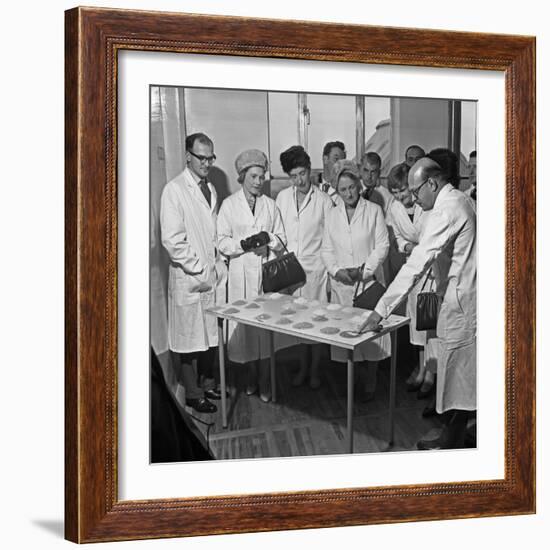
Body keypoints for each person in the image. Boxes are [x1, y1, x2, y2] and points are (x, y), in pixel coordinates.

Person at [359, 154, 476, 449]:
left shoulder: (446, 210)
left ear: (432, 184)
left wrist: (379, 311)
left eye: (415, 191)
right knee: (457, 374)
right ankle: (453, 434)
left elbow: (416, 264)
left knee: (457, 376)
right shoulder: (459, 200)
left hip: (461, 303)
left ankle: (451, 443)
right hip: (460, 298)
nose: (412, 198)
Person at [160, 132, 227, 414]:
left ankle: (208, 383)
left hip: (210, 274)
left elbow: (213, 233)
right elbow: (173, 241)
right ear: (188, 155)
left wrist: (218, 263)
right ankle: (193, 393)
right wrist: (199, 268)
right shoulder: (173, 190)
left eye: (210, 157)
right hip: (190, 276)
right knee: (189, 340)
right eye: (202, 157)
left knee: (210, 335)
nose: (207, 163)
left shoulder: (210, 189)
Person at [217, 149, 286, 402]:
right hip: (240, 276)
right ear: (243, 176)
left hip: (264, 276)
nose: (258, 181)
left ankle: (266, 381)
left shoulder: (270, 205)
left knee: (265, 331)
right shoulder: (229, 205)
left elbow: (282, 238)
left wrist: (268, 241)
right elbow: (222, 241)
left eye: (261, 176)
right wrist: (243, 245)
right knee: (244, 333)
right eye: (254, 176)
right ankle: (251, 378)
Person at [321, 160, 391, 401]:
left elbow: (383, 245)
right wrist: (336, 271)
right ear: (337, 191)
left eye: (351, 187)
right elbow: (326, 249)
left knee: (370, 333)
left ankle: (370, 378)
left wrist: (365, 270)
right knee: (346, 335)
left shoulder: (373, 211)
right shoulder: (331, 214)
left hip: (368, 282)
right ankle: (352, 378)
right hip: (343, 284)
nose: (348, 193)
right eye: (343, 190)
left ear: (358, 185)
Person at [276, 145, 334, 388]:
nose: (299, 180)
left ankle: (314, 371)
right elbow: (278, 233)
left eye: (302, 173)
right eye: (293, 176)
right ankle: (302, 367)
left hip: (315, 272)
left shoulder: (323, 200)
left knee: (316, 323)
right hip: (291, 271)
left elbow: (331, 239)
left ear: (310, 171)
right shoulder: (281, 198)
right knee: (298, 323)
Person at [386, 163, 439, 399]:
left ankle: (431, 374)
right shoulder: (394, 208)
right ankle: (421, 371)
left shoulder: (428, 206)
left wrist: (421, 249)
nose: (401, 197)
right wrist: (409, 246)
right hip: (413, 269)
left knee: (432, 326)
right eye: (395, 193)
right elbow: (398, 239)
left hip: (433, 271)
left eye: (404, 192)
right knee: (417, 325)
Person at [359, 151, 393, 216]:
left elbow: (389, 222)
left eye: (373, 172)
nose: (369, 176)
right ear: (360, 170)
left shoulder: (387, 196)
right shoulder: (351, 189)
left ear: (379, 173)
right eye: (366, 170)